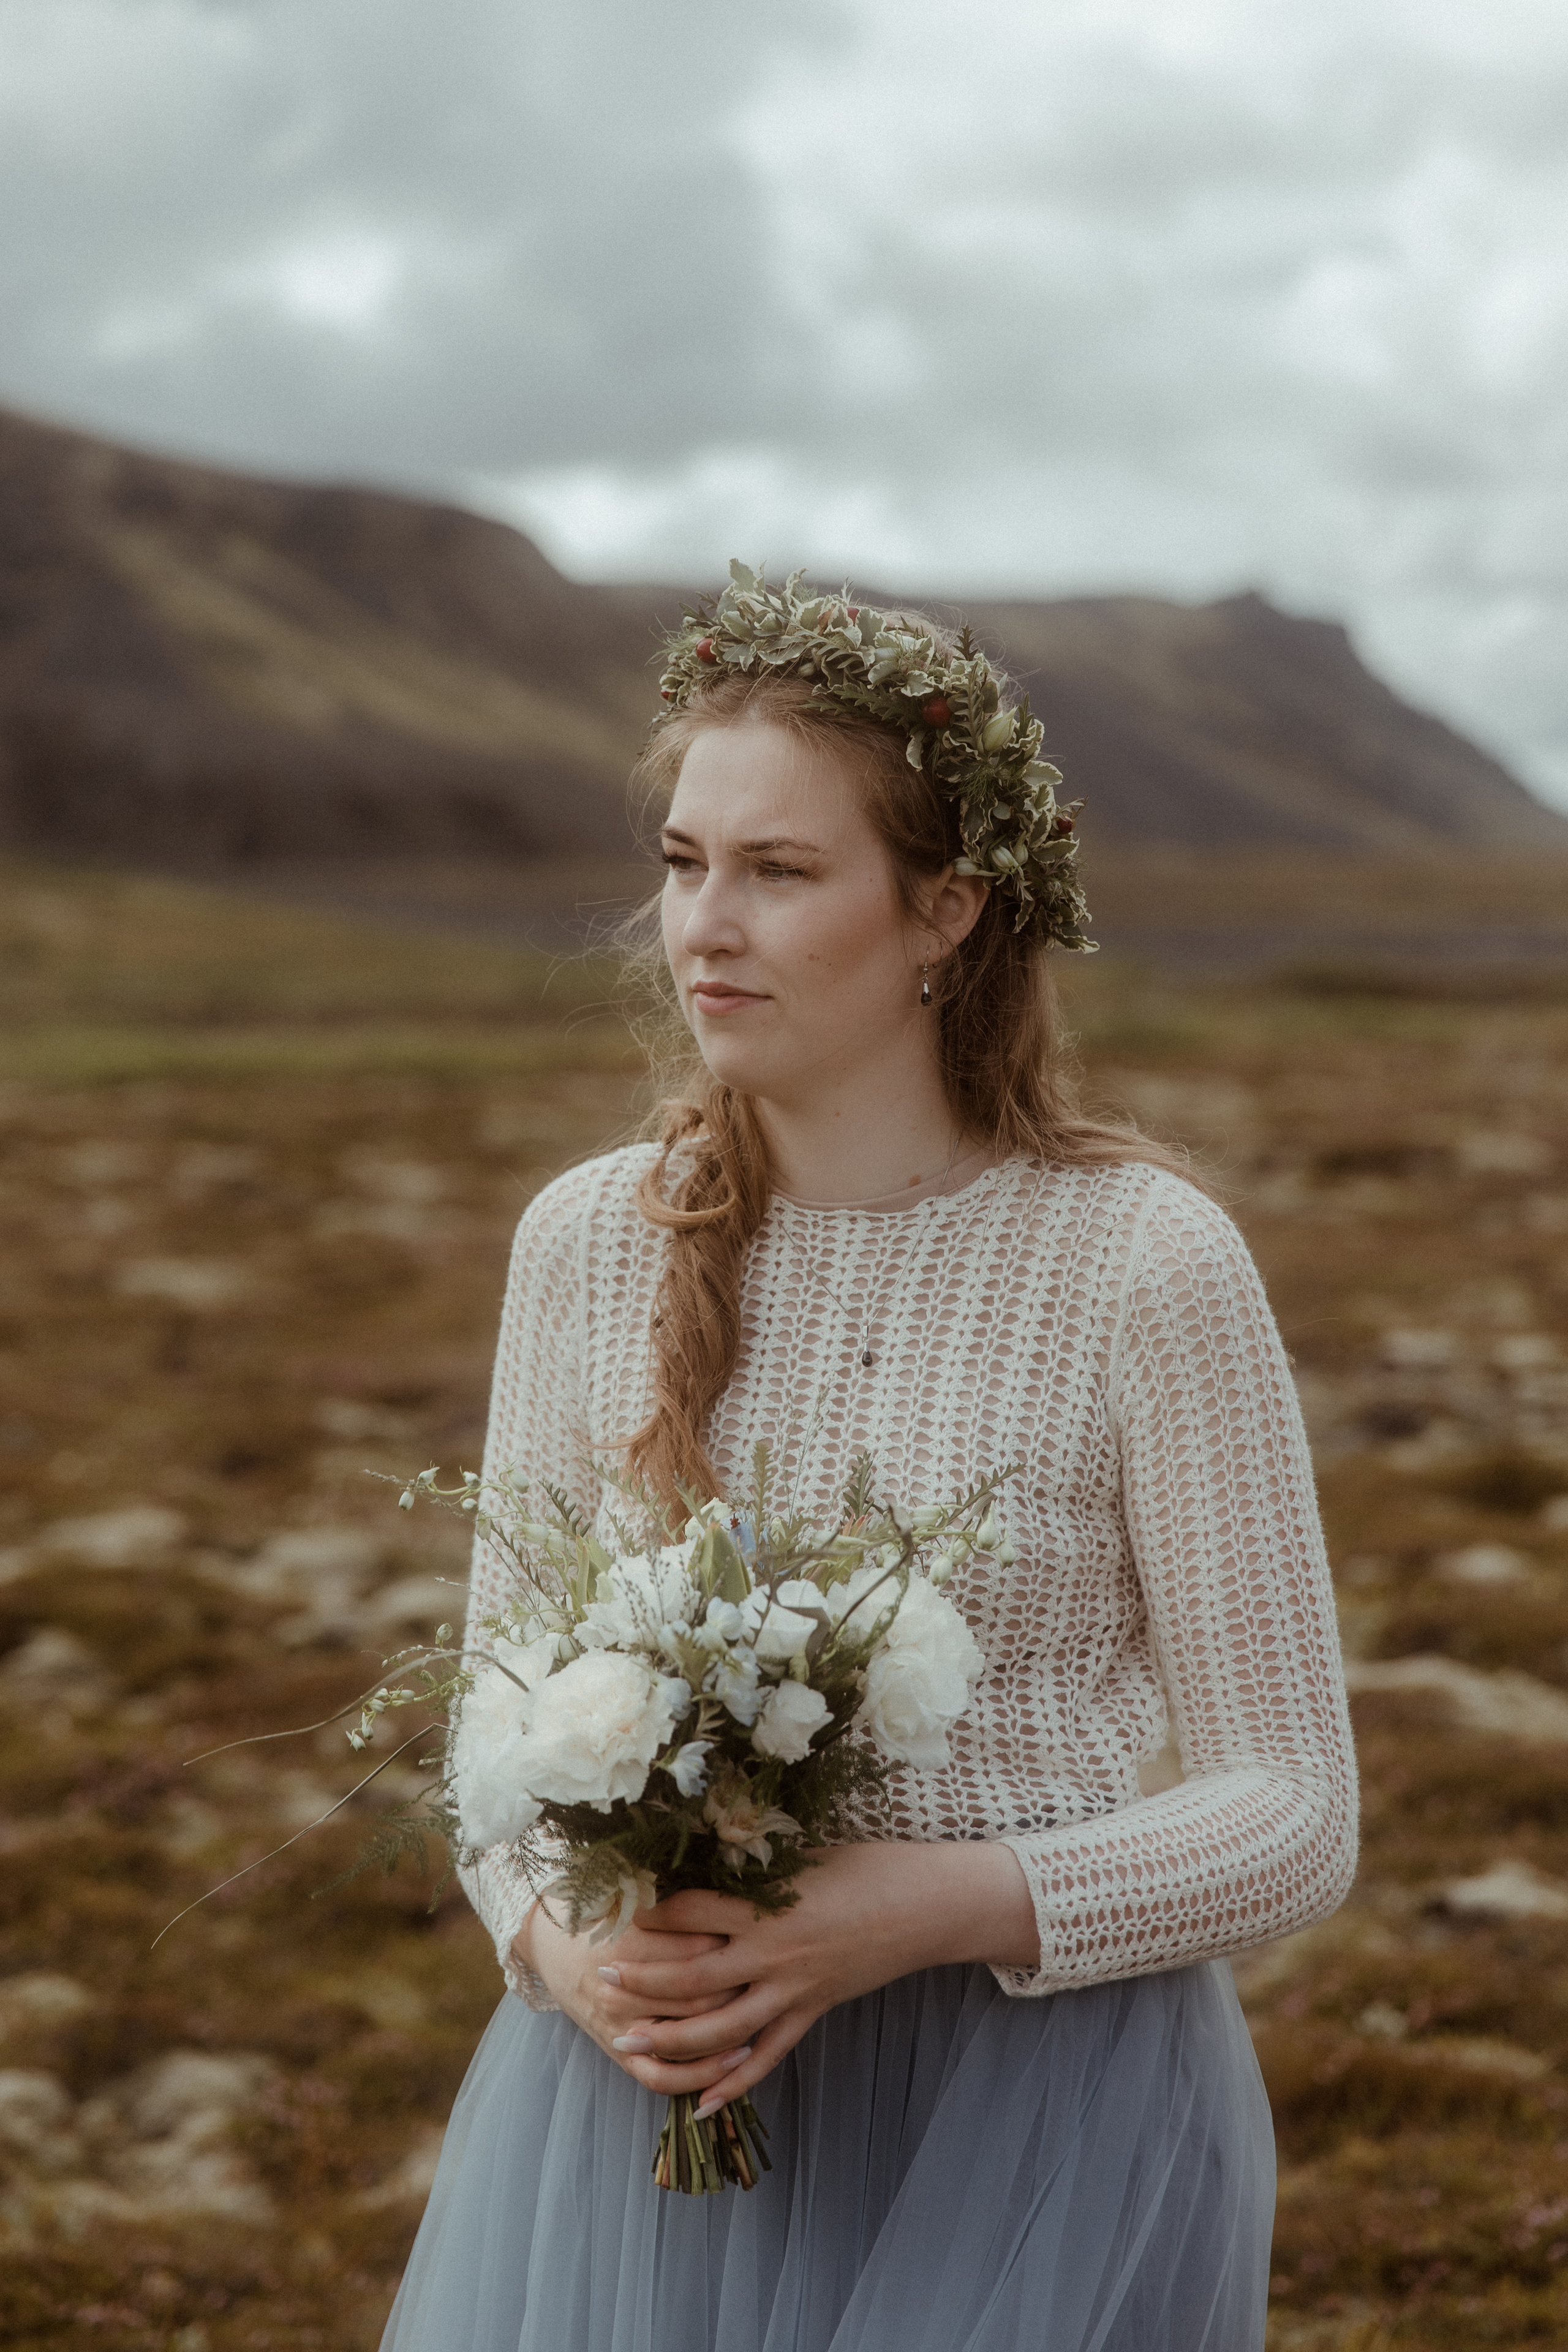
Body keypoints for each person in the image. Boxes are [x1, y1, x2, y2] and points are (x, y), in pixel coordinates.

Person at [380, 568, 1358, 2352]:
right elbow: (489, 1719)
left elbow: (1294, 1811)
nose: (704, 926)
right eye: (685, 864)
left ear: (947, 913)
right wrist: (562, 1952)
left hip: (1040, 2116)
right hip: (639, 2113)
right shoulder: (589, 1241)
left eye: (780, 870)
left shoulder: (1143, 1261)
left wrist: (937, 1906)